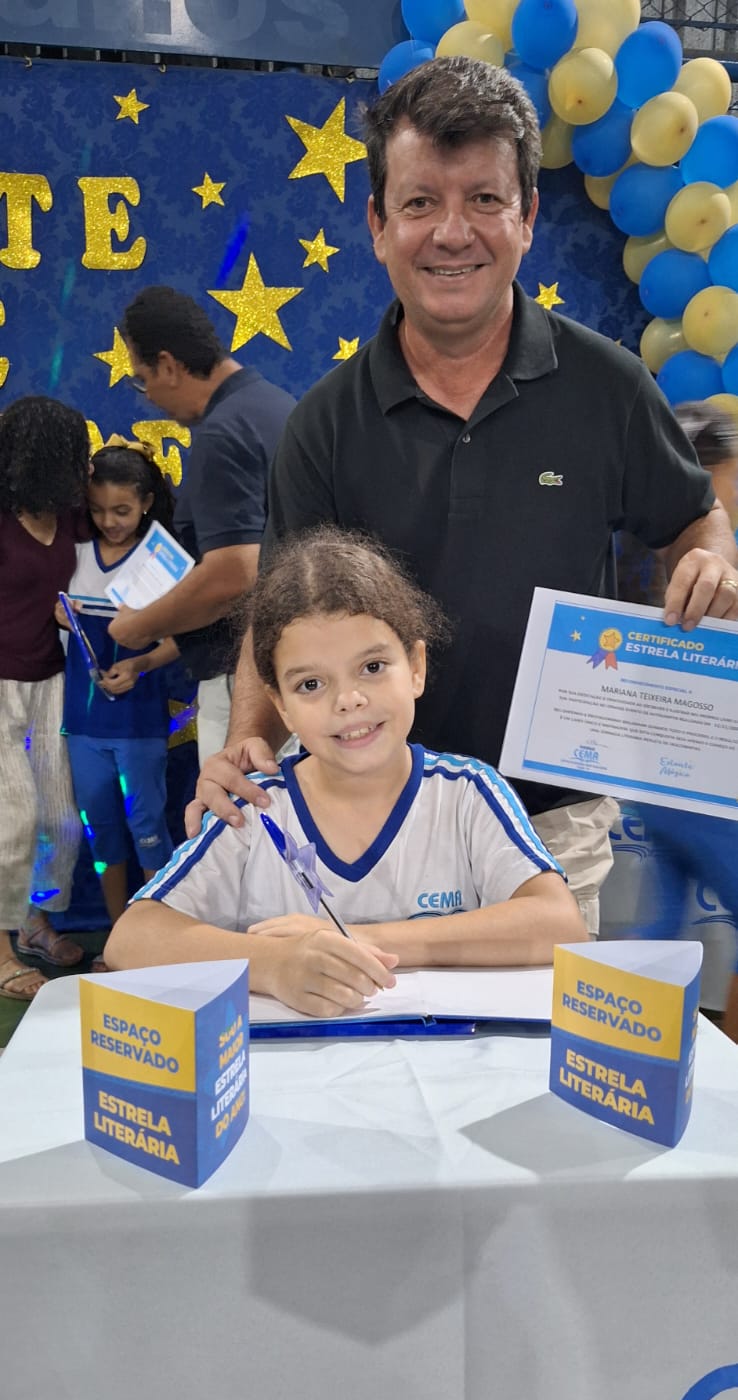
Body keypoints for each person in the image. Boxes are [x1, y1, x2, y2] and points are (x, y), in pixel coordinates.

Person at [187, 56, 738, 937]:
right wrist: (248, 736)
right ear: (378, 224)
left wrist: (711, 556)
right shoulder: (325, 422)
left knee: (545, 1032)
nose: (453, 232)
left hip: (551, 829)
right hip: (373, 827)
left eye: (485, 199)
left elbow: (693, 519)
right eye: (420, 202)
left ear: (527, 219)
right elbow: (279, 613)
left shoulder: (608, 387)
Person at [105, 528, 586, 1014]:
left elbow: (559, 923)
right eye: (311, 684)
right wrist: (272, 963)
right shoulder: (255, 809)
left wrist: (353, 940)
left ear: (416, 668)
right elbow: (131, 938)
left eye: (372, 667)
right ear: (281, 705)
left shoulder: (468, 794)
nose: (348, 699)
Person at [107, 286, 295, 765]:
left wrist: (140, 626)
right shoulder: (275, 405)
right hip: (294, 667)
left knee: (240, 811)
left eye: (143, 380)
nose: (149, 398)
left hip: (244, 684)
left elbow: (234, 575)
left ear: (168, 365)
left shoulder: (222, 433)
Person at [634, 401, 738, 1044]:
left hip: (665, 782)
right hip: (703, 784)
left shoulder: (653, 554)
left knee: (658, 935)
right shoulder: (707, 565)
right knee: (659, 935)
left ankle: (630, 1049)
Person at [55, 438, 179, 931]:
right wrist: (59, 616)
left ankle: (158, 936)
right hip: (82, 723)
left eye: (122, 510)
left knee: (148, 826)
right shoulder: (72, 554)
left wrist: (141, 664)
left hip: (139, 724)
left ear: (146, 502)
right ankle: (117, 935)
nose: (110, 521)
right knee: (100, 832)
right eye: (98, 510)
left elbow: (182, 640)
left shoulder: (161, 560)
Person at [0, 395, 90, 998]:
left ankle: (32, 921)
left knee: (60, 819)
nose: (86, 466)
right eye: (76, 455)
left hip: (51, 680)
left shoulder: (70, 516)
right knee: (11, 820)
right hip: (0, 683)